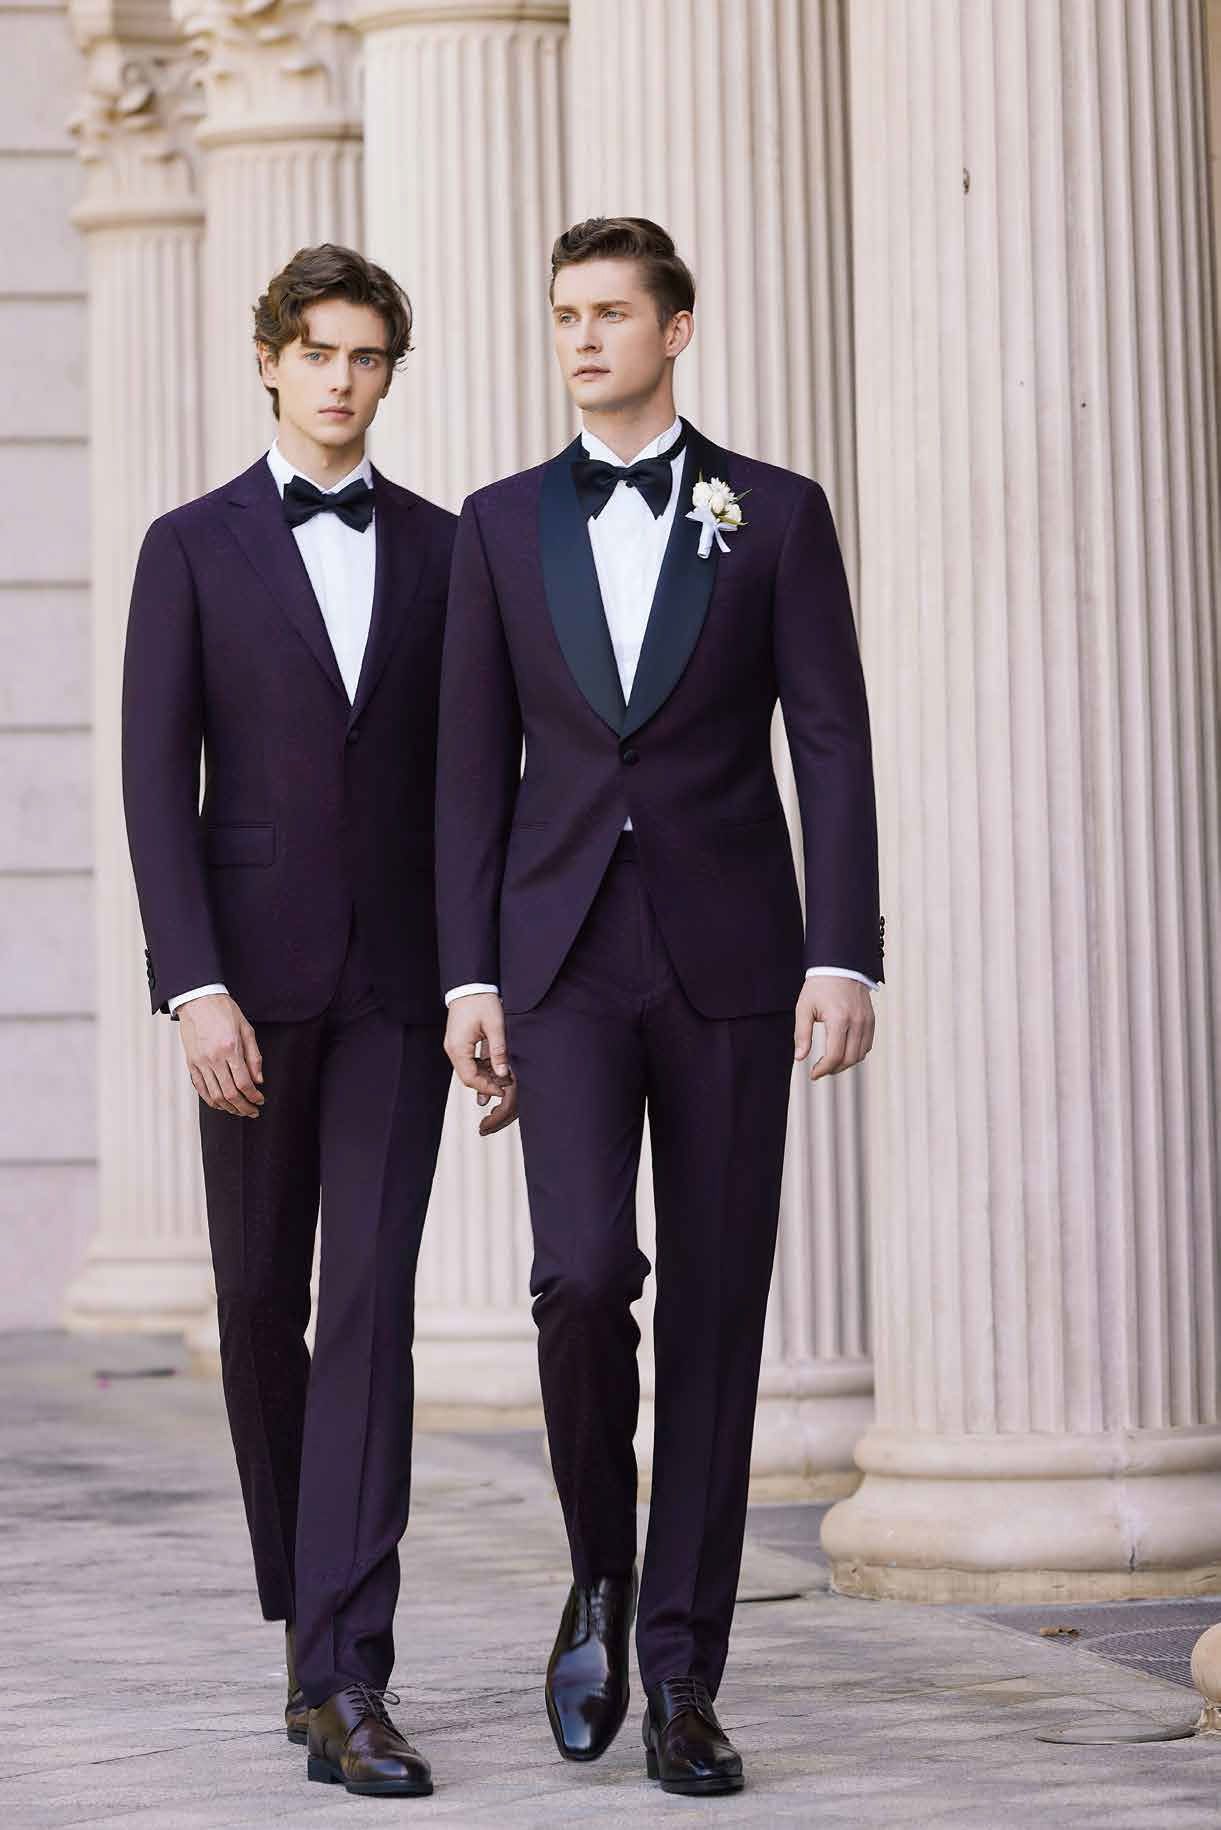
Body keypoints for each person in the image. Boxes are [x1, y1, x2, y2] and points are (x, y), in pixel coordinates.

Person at [436, 216, 884, 1797]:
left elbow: (827, 738)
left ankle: (688, 1673)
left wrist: (846, 950)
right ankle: (597, 1572)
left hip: (732, 963)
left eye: (610, 314)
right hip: (554, 964)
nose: (580, 339)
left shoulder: (770, 513)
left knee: (713, 1312)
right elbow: (466, 770)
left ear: (675, 330)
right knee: (575, 1276)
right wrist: (467, 973)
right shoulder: (496, 526)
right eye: (562, 315)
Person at [122, 242, 473, 1799]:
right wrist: (192, 984)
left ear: (390, 372)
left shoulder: (450, 550)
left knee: (372, 1317)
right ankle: (303, 1628)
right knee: (265, 1312)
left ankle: (351, 1671)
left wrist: (481, 984)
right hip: (249, 996)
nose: (343, 380)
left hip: (401, 988)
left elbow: (476, 791)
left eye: (369, 356)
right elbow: (154, 783)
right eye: (319, 351)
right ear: (268, 358)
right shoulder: (187, 546)